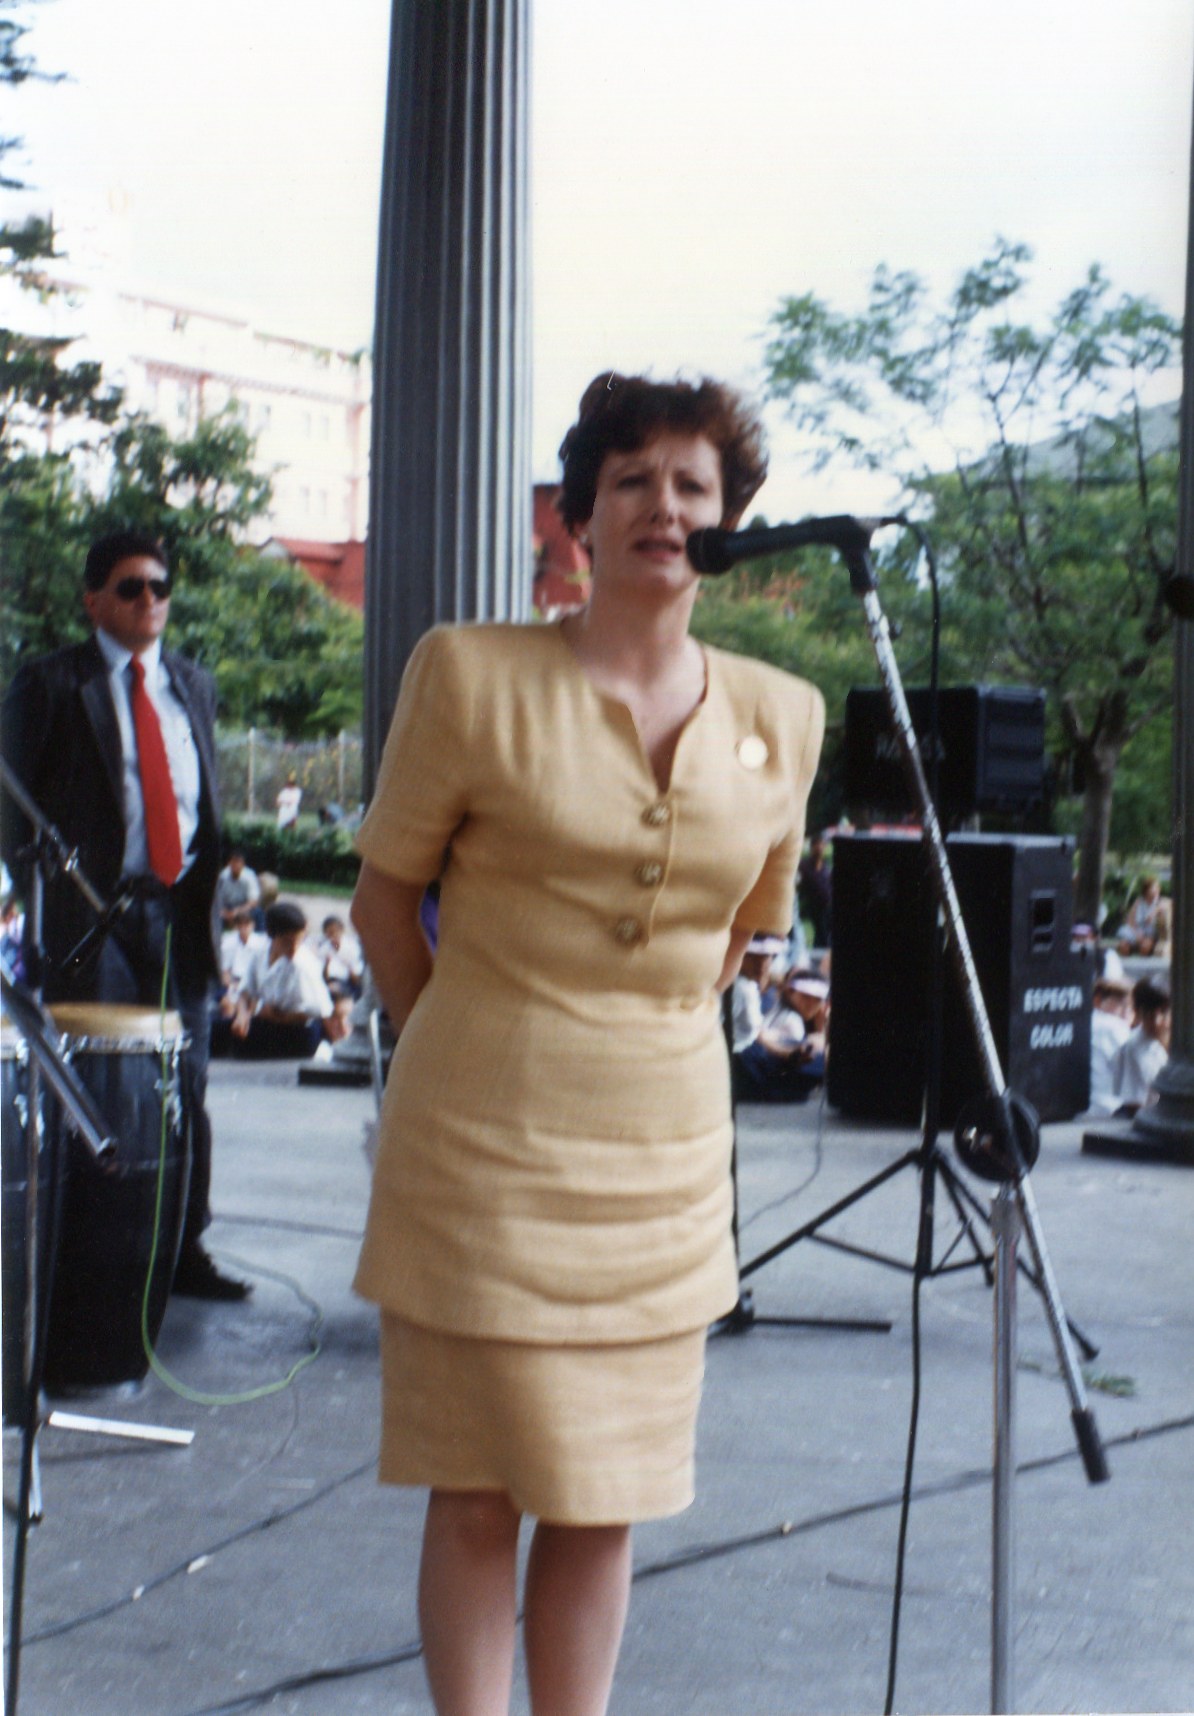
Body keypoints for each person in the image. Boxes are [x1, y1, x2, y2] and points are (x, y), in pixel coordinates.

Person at [350, 371, 824, 1716]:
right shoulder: (470, 672)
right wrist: (459, 1041)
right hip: (479, 1159)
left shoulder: (783, 714)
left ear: (727, 519)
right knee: (475, 1489)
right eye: (631, 481)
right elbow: (383, 905)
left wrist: (642, 1028)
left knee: (604, 1497)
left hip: (660, 1177)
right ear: (579, 516)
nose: (663, 507)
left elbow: (742, 933)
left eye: (691, 485)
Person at [0, 528, 249, 1299]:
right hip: (90, 917)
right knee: (99, 1085)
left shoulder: (192, 684)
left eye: (160, 587)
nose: (150, 600)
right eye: (131, 587)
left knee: (186, 1082)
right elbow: (10, 804)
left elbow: (201, 800)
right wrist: (41, 895)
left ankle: (183, 1247)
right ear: (93, 600)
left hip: (178, 914)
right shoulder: (51, 684)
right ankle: (91, 1252)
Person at [214, 899, 346, 1058]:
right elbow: (245, 992)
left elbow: (320, 1011)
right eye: (287, 942)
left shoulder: (303, 965)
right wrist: (242, 1015)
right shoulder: (260, 954)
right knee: (218, 1029)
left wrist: (271, 1014)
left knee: (239, 1042)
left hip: (297, 1030)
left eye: (298, 942)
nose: (293, 949)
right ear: (272, 936)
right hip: (267, 1019)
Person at [730, 938, 826, 1102]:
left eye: (766, 957)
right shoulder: (744, 989)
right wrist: (787, 1053)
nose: (761, 965)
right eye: (753, 957)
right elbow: (757, 1037)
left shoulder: (751, 987)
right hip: (743, 1057)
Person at [1112, 974, 1171, 1115]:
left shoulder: (1183, 1039)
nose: (1157, 1021)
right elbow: (1136, 1104)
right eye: (1149, 1014)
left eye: (1163, 1012)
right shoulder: (1134, 1047)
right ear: (1137, 1013)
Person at [1087, 971, 1133, 1116]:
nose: (1126, 1014)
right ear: (1097, 1001)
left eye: (1131, 1009)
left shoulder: (1084, 1021)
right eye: (1121, 1005)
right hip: (1108, 1109)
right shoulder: (1112, 1026)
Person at [1116, 876, 1171, 958]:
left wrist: (1154, 912)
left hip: (1151, 934)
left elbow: (1169, 903)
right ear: (1146, 891)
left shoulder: (1160, 902)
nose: (1156, 891)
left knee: (1145, 947)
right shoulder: (1139, 901)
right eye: (1153, 889)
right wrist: (1137, 934)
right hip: (1136, 931)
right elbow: (1130, 920)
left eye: (1157, 889)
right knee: (1123, 946)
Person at [797, 830, 833, 950]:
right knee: (821, 935)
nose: (819, 848)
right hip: (815, 908)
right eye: (816, 844)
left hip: (828, 908)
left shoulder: (826, 867)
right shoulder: (805, 866)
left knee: (825, 936)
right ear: (812, 847)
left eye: (821, 844)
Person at [318, 913, 363, 999]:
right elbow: (324, 977)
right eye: (330, 933)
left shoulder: (352, 946)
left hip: (349, 982)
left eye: (336, 931)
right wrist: (327, 964)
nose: (333, 936)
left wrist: (349, 966)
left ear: (341, 930)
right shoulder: (324, 949)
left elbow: (357, 978)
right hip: (331, 981)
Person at [214, 846, 261, 928]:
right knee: (214, 915)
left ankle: (260, 933)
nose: (236, 865)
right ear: (229, 863)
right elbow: (217, 898)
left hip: (244, 906)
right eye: (233, 862)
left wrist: (237, 912)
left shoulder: (249, 876)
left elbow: (253, 901)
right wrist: (222, 911)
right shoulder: (223, 876)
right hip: (227, 907)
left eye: (238, 862)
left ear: (243, 864)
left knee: (258, 912)